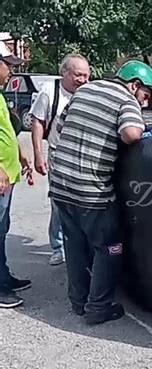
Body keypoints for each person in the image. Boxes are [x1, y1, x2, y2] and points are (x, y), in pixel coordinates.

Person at [50, 60, 152, 324]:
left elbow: (61, 127)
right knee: (110, 246)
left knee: (75, 245)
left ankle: (79, 302)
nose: (144, 103)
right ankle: (98, 307)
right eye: (145, 96)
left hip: (61, 185)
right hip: (90, 190)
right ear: (134, 85)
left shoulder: (86, 90)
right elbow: (132, 134)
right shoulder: (126, 100)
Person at [30, 54, 90, 266]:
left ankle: (79, 244)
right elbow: (37, 122)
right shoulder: (49, 91)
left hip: (83, 156)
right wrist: (38, 154)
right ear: (64, 73)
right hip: (58, 155)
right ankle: (58, 246)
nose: (83, 80)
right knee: (59, 203)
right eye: (78, 75)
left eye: (86, 75)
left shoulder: (88, 93)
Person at [0, 42, 33, 308]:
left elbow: (6, 132)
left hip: (7, 176)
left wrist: (21, 156)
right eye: (7, 65)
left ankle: (4, 277)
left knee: (2, 230)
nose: (11, 71)